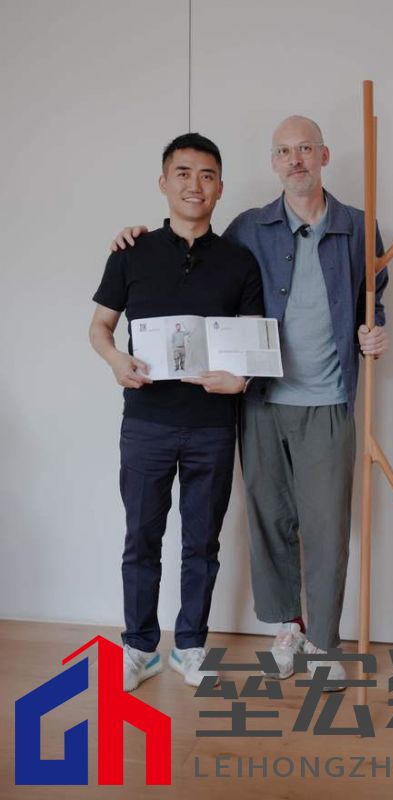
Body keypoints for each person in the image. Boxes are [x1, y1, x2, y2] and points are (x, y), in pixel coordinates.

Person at [110, 116, 389, 687]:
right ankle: (288, 626)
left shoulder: (359, 228)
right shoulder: (248, 228)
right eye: (284, 151)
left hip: (328, 398)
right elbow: (194, 255)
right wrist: (134, 237)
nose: (295, 160)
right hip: (259, 401)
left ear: (324, 155)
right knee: (270, 522)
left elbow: (372, 299)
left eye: (305, 148)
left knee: (327, 529)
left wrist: (373, 332)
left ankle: (324, 642)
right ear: (273, 162)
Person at [90, 133, 264, 692]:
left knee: (201, 543)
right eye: (183, 173)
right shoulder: (130, 252)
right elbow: (100, 326)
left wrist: (241, 380)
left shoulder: (239, 262)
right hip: (145, 423)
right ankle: (139, 647)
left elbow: (254, 345)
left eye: (207, 175)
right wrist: (115, 359)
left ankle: (190, 646)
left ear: (220, 187)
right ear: (163, 182)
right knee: (141, 538)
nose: (195, 185)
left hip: (212, 426)